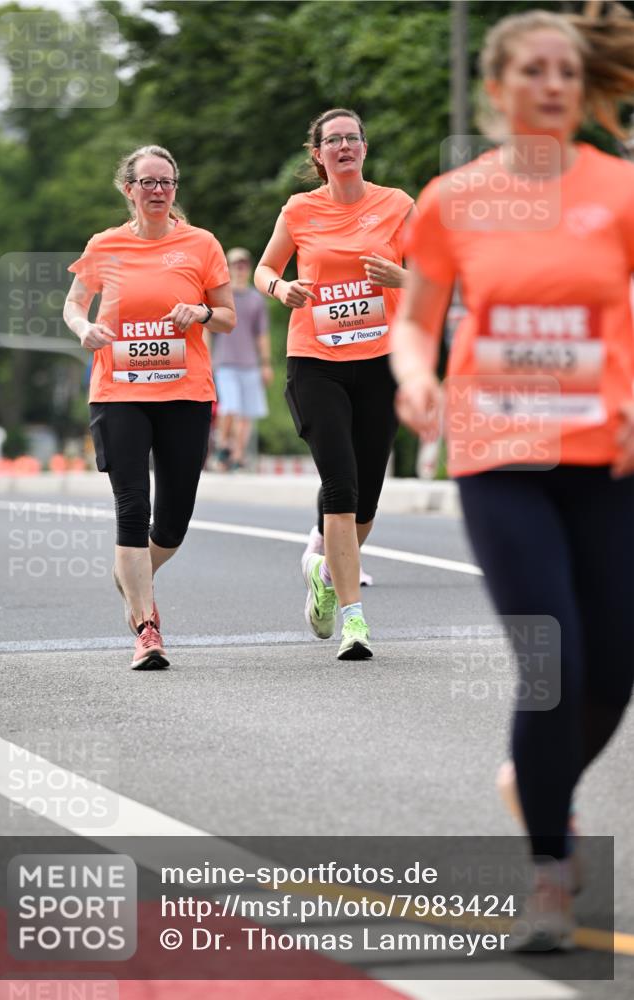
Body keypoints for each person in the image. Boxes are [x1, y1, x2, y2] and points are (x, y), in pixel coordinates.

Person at [392, 7, 634, 949]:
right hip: (499, 453)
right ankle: (549, 871)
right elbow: (418, 319)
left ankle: (535, 783)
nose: (549, 85)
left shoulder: (617, 190)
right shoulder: (452, 198)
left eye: (564, 73)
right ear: (495, 90)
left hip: (604, 454)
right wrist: (414, 378)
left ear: (581, 90)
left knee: (613, 665)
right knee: (552, 661)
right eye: (530, 70)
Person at [64, 144, 235, 669]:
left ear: (174, 190)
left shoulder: (201, 244)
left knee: (173, 521)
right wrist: (85, 328)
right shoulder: (106, 245)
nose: (158, 191)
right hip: (120, 393)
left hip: (185, 393)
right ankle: (147, 627)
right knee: (132, 507)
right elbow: (74, 303)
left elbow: (226, 316)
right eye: (148, 182)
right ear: (128, 189)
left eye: (167, 182)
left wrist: (201, 311)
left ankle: (131, 572)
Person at [255, 108, 414, 660]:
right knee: (340, 488)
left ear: (364, 149)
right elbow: (263, 269)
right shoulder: (300, 209)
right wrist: (281, 288)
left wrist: (404, 278)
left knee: (365, 498)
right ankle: (354, 621)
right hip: (316, 361)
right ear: (318, 155)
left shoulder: (397, 205)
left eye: (352, 138)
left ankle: (323, 571)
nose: (344, 146)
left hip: (380, 364)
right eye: (333, 140)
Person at [209, 247, 272, 471]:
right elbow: (208, 328)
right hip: (225, 361)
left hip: (250, 363)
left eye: (243, 264)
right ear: (228, 267)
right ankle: (223, 444)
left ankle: (237, 455)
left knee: (247, 413)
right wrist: (207, 360)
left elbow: (261, 334)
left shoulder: (256, 299)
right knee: (231, 406)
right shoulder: (221, 296)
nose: (240, 268)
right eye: (236, 264)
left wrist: (265, 364)